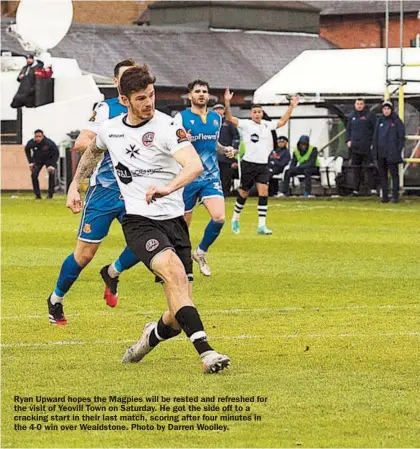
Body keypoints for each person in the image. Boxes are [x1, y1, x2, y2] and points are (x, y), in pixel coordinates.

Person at [67, 65, 231, 374]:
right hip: (139, 221)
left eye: (152, 95)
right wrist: (77, 184)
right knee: (173, 274)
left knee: (176, 313)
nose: (149, 103)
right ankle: (207, 352)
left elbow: (194, 165)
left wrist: (169, 187)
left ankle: (147, 340)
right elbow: (91, 153)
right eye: (141, 98)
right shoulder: (111, 128)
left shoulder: (169, 127)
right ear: (124, 99)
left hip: (174, 223)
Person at [47, 60, 141, 325]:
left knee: (146, 243)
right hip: (105, 191)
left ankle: (112, 272)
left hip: (136, 193)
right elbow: (82, 142)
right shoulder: (106, 109)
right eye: (125, 78)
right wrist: (112, 144)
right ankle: (56, 299)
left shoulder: (149, 112)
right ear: (116, 83)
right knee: (85, 255)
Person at [174, 81, 235, 277]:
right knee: (183, 227)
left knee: (219, 217)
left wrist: (224, 149)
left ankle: (200, 252)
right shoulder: (180, 118)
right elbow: (172, 145)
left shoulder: (216, 118)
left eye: (204, 92)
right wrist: (185, 142)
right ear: (190, 95)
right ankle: (178, 264)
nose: (201, 94)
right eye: (197, 91)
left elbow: (213, 143)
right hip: (188, 177)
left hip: (210, 176)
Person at [224, 89, 299, 234]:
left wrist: (291, 107)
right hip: (248, 164)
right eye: (255, 112)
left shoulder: (267, 125)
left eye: (259, 112)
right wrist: (227, 101)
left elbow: (282, 122)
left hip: (263, 164)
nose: (257, 114)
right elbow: (229, 118)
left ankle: (261, 226)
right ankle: (235, 218)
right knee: (244, 193)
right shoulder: (246, 124)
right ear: (251, 114)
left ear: (262, 113)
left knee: (263, 192)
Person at [372, 100, 405, 203]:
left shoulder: (396, 121)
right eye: (384, 109)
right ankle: (385, 197)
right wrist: (375, 152)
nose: (386, 111)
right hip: (381, 153)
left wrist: (397, 150)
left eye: (388, 109)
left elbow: (401, 137)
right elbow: (375, 137)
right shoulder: (380, 121)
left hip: (392, 153)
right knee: (383, 176)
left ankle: (395, 197)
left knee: (394, 175)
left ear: (391, 110)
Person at [345, 98, 377, 196]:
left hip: (367, 147)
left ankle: (373, 188)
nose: (359, 105)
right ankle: (356, 189)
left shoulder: (370, 115)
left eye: (361, 104)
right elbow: (348, 130)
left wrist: (373, 143)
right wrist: (348, 140)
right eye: (357, 104)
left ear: (364, 105)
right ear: (355, 105)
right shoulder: (351, 116)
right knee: (356, 169)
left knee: (370, 168)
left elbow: (375, 130)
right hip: (355, 147)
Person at [213, 103, 240, 197]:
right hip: (213, 154)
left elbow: (236, 136)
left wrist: (235, 148)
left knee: (226, 175)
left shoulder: (228, 123)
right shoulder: (209, 122)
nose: (218, 111)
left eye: (220, 109)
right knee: (214, 175)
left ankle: (225, 193)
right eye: (216, 109)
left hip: (226, 154)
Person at [24, 129, 59, 199]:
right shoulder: (31, 143)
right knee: (34, 175)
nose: (38, 138)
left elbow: (56, 153)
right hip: (38, 160)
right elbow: (27, 150)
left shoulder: (49, 143)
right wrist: (30, 162)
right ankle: (37, 195)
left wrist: (52, 165)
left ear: (43, 136)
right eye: (36, 136)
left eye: (39, 136)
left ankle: (50, 194)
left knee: (51, 174)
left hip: (49, 159)